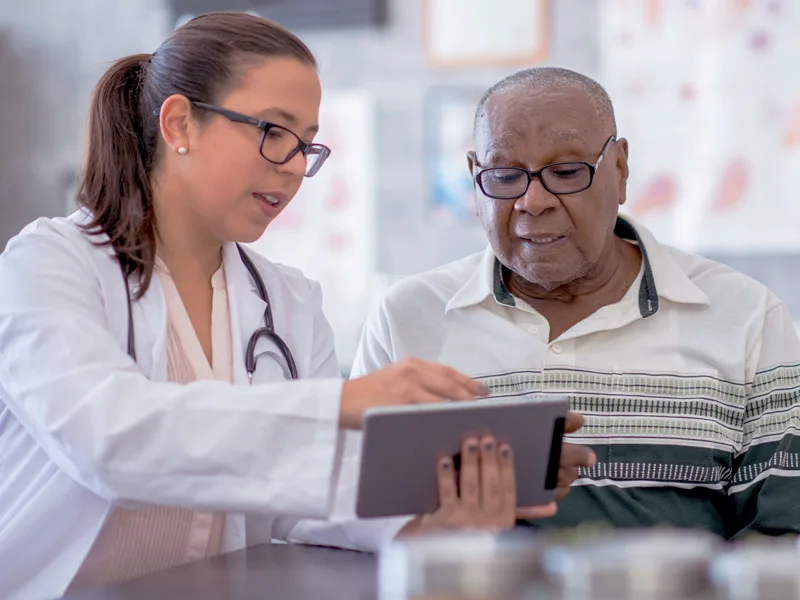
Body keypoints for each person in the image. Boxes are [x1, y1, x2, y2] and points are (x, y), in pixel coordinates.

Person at [0, 15, 576, 600]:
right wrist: (340, 404)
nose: (296, 166)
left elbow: (309, 496)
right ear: (180, 124)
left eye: (306, 144)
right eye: (273, 132)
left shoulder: (287, 300)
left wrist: (439, 507)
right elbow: (109, 442)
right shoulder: (48, 265)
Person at [350, 66, 800, 539]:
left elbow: (782, 534)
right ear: (474, 178)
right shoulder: (407, 318)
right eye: (504, 176)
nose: (533, 201)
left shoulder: (744, 315)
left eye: (566, 173)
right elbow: (352, 521)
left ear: (620, 169)